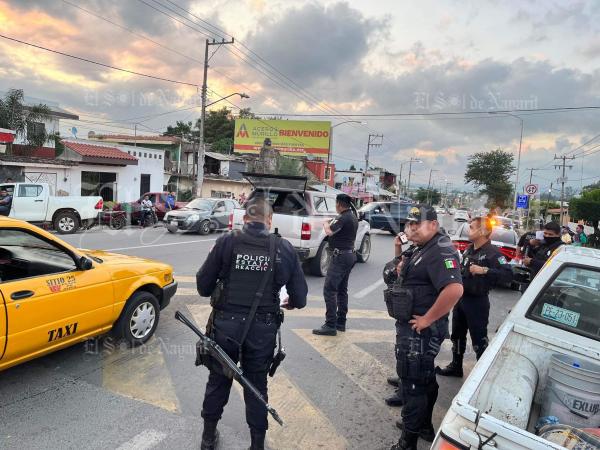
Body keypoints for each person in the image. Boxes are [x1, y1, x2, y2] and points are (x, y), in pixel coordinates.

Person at [196, 197, 308, 450]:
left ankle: (207, 438)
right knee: (256, 384)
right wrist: (288, 302)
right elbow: (299, 298)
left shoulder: (227, 242)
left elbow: (203, 287)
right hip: (263, 330)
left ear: (244, 219)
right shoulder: (285, 248)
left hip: (225, 327)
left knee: (218, 380)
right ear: (270, 221)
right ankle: (257, 445)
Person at [389, 205, 463, 450]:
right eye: (409, 224)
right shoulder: (426, 247)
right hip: (414, 330)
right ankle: (423, 426)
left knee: (413, 386)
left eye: (416, 224)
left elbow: (454, 290)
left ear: (432, 224)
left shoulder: (441, 250)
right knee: (424, 379)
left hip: (421, 331)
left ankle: (407, 443)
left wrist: (427, 319)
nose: (411, 228)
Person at [436, 217, 512, 378]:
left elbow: (508, 275)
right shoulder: (470, 249)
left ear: (483, 231)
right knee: (457, 336)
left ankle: (482, 375)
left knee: (479, 339)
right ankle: (456, 366)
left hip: (478, 303)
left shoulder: (493, 254)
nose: (468, 230)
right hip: (462, 300)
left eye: (471, 228)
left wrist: (484, 270)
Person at [313, 194, 359, 336]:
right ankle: (340, 322)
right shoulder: (352, 216)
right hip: (349, 255)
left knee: (330, 290)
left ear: (339, 204)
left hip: (341, 257)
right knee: (341, 290)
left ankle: (330, 324)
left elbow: (329, 231)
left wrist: (326, 223)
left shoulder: (343, 217)